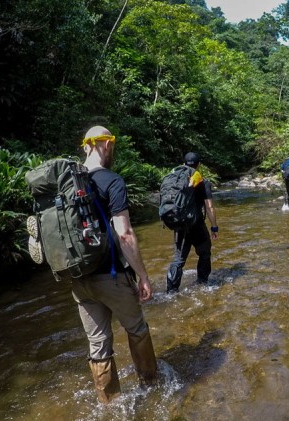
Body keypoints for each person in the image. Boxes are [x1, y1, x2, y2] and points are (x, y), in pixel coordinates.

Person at [76, 125, 157, 403]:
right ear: (106, 145)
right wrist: (143, 276)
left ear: (85, 146)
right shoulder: (112, 180)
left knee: (98, 346)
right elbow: (124, 234)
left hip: (78, 278)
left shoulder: (68, 183)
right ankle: (152, 388)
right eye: (114, 146)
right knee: (137, 329)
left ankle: (110, 406)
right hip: (110, 275)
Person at [166, 152, 219, 292]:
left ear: (183, 164)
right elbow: (209, 207)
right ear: (199, 165)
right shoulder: (203, 182)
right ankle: (202, 283)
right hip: (197, 225)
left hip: (179, 225)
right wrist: (214, 227)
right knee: (205, 252)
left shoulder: (176, 181)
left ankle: (171, 291)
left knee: (178, 260)